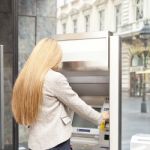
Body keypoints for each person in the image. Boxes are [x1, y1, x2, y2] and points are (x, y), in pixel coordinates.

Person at [12, 38, 109, 150]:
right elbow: (77, 105)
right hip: (56, 143)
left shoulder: (25, 79)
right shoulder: (54, 78)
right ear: (52, 57)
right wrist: (101, 117)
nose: (59, 61)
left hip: (35, 144)